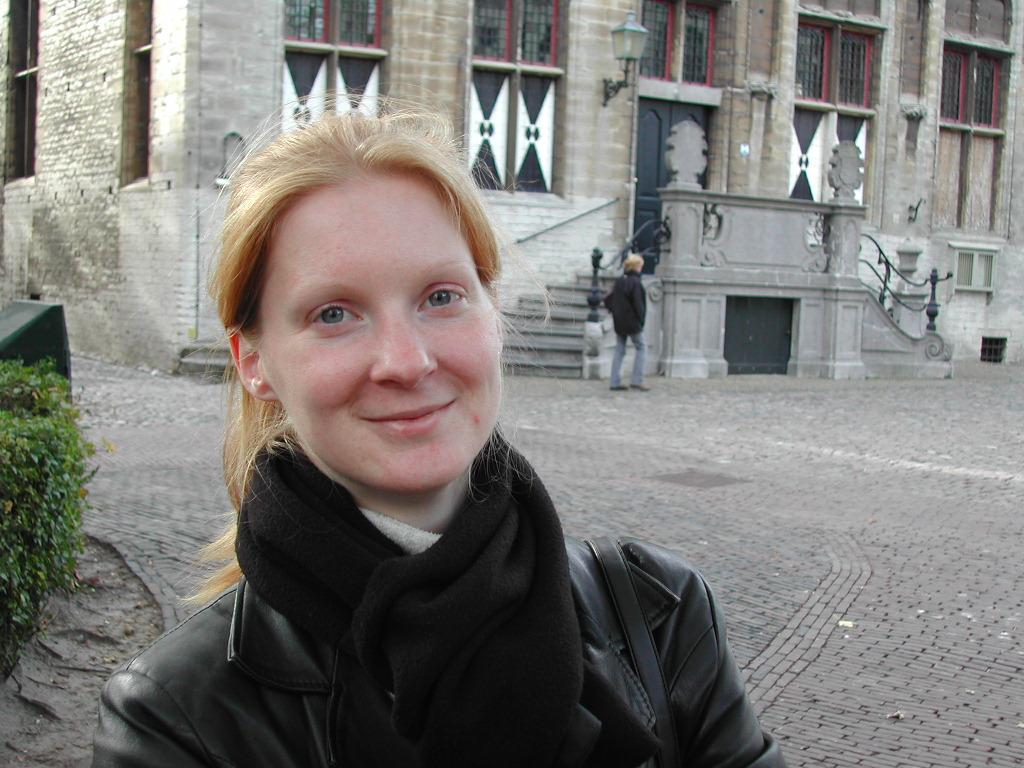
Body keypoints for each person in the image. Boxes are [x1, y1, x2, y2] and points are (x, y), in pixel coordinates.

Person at [92, 109, 785, 767]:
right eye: (334, 313)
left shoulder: (660, 616)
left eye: (441, 297)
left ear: (493, 311)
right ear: (255, 364)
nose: (407, 361)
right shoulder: (177, 717)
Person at [604, 253, 649, 392]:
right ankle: (636, 380)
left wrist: (615, 312)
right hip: (633, 322)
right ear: (637, 267)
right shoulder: (636, 283)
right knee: (642, 348)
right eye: (641, 266)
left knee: (620, 349)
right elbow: (639, 305)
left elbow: (608, 300)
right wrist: (641, 320)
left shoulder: (620, 281)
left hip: (619, 321)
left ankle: (614, 381)